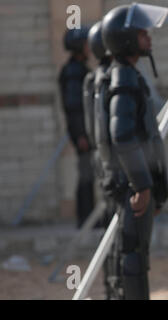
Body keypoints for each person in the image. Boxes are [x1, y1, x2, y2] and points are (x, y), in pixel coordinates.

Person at [96, 3, 168, 300]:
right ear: (126, 39)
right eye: (142, 33)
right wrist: (141, 185)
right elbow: (123, 136)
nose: (148, 37)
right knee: (133, 258)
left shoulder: (124, 74)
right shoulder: (124, 77)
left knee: (130, 252)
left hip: (130, 184)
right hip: (131, 186)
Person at [83, 20, 117, 299]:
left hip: (105, 161)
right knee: (116, 233)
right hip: (111, 163)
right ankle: (112, 287)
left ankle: (112, 286)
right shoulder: (102, 79)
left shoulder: (97, 77)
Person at [58, 27, 95, 228]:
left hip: (85, 131)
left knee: (88, 172)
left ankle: (89, 218)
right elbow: (75, 107)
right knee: (86, 174)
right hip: (83, 132)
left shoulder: (79, 68)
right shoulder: (74, 72)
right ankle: (86, 218)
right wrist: (81, 134)